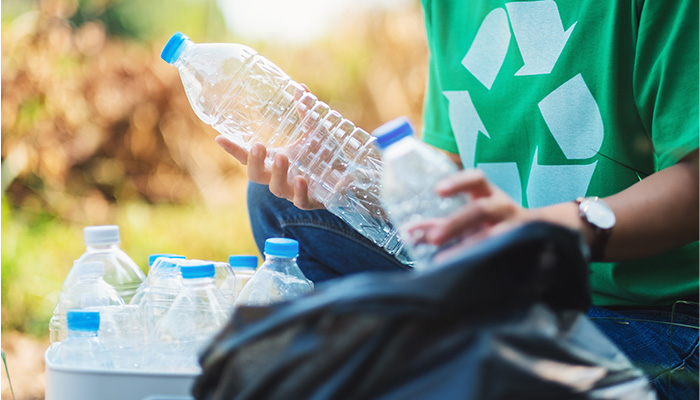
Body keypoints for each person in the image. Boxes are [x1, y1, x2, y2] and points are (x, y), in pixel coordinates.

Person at [215, 0, 699, 398]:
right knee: (281, 205)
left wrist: (551, 229)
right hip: (504, 289)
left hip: (650, 314)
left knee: (423, 374)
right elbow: (452, 167)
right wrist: (356, 186)